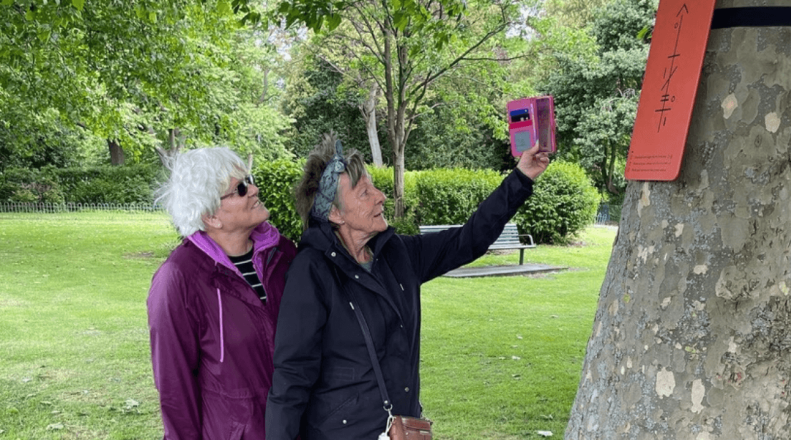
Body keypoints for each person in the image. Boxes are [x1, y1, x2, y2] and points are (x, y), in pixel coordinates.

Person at [265, 134, 549, 440]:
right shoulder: (311, 272)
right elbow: (292, 377)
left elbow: (470, 238)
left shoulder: (397, 253)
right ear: (335, 214)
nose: (380, 196)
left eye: (374, 186)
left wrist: (521, 177)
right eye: (364, 193)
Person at [148, 147, 297, 440]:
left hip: (298, 428)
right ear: (211, 216)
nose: (254, 189)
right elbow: (175, 388)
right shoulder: (178, 279)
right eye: (240, 188)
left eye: (250, 179)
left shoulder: (285, 256)